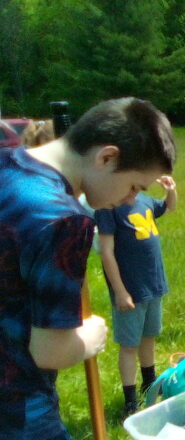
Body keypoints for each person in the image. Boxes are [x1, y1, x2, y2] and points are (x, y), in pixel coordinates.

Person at [0, 97, 176, 439]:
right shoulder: (64, 220)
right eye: (134, 187)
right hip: (17, 404)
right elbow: (49, 351)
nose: (130, 200)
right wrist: (88, 338)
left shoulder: (6, 161)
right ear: (106, 157)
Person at [96, 176, 178, 417]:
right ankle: (131, 400)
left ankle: (149, 383)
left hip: (153, 284)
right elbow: (107, 253)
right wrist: (120, 291)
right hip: (130, 290)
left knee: (149, 337)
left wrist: (171, 191)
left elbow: (168, 206)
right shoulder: (107, 207)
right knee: (130, 345)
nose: (135, 191)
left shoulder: (144, 200)